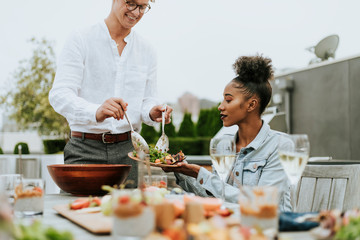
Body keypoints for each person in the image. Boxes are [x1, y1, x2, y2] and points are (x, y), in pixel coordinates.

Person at [49, 0, 172, 187]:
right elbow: (59, 94)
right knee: (78, 212)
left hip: (129, 153)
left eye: (142, 7)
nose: (136, 12)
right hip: (84, 149)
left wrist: (152, 112)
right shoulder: (81, 38)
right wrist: (95, 111)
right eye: (130, 3)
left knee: (128, 213)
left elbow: (147, 100)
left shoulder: (147, 50)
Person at [163, 55, 292, 211]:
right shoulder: (223, 145)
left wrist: (200, 174)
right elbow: (214, 197)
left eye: (228, 100)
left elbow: (262, 202)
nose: (220, 106)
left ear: (251, 104)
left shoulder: (280, 146)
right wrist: (183, 172)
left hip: (270, 230)